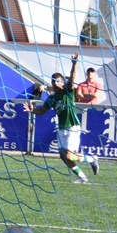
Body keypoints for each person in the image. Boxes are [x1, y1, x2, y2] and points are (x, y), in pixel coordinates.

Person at [26, 53, 100, 184]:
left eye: (57, 81)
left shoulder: (68, 92)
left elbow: (72, 78)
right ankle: (82, 177)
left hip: (72, 126)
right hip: (61, 128)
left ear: (62, 83)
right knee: (63, 156)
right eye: (53, 81)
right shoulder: (52, 98)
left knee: (69, 155)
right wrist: (33, 110)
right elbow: (42, 111)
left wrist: (74, 64)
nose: (54, 83)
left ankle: (91, 159)